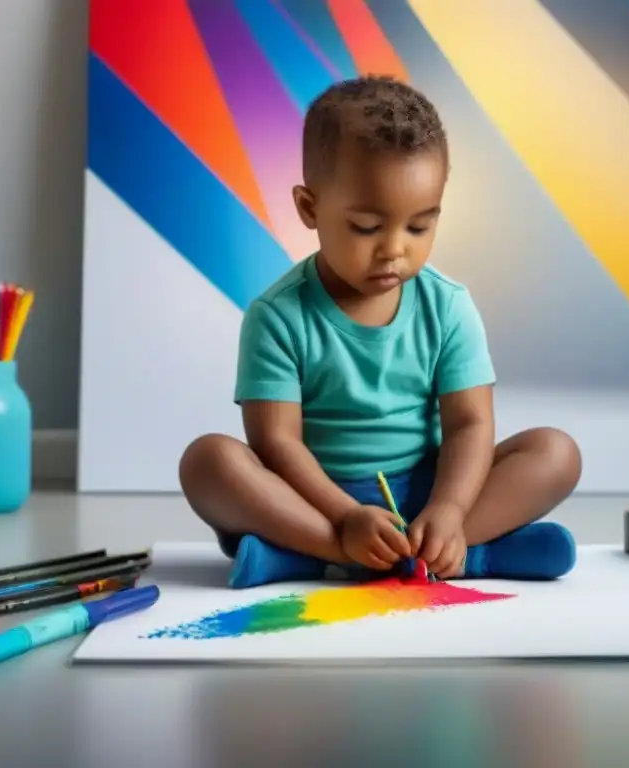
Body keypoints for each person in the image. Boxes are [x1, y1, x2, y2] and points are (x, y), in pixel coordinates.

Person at [179, 76, 582, 589]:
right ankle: (357, 551)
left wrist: (451, 509)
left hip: (429, 493)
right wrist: (346, 518)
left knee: (556, 452)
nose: (395, 249)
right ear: (310, 208)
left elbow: (469, 426)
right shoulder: (278, 316)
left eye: (419, 227)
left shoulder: (448, 306)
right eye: (368, 227)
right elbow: (278, 443)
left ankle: (433, 546)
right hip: (317, 502)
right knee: (208, 462)